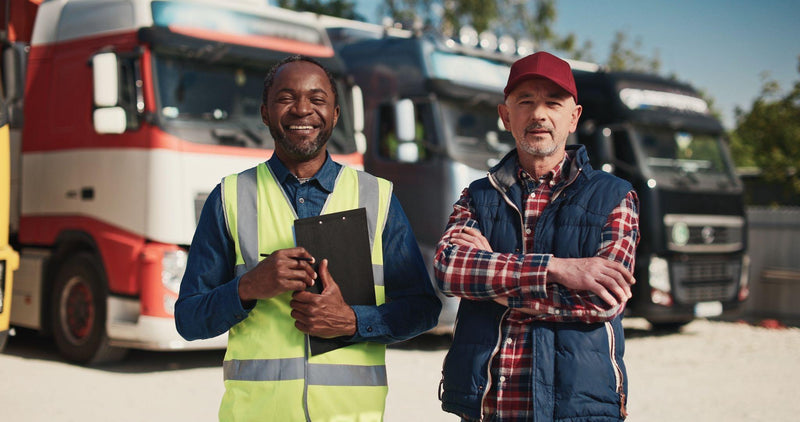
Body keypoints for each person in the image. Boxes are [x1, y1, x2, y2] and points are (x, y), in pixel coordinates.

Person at [175, 55, 441, 421]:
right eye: (286, 98)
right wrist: (248, 286)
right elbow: (188, 320)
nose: (303, 110)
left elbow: (423, 310)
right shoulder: (230, 197)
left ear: (335, 114)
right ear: (266, 112)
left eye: (317, 100)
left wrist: (352, 321)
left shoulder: (377, 197)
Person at [433, 51, 640, 421]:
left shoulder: (615, 195)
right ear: (505, 116)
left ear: (574, 117)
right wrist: (556, 270)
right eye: (525, 101)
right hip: (487, 405)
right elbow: (449, 270)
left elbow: (602, 301)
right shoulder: (478, 196)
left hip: (579, 408)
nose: (539, 114)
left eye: (553, 103)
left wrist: (490, 281)